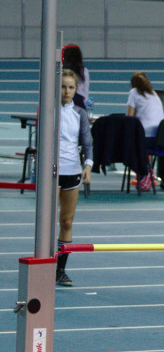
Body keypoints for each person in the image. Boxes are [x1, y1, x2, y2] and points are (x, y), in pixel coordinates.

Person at [55, 69, 93, 288]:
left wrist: (88, 165)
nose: (66, 91)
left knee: (67, 221)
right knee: (48, 222)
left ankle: (60, 270)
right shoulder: (49, 110)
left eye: (70, 87)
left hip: (73, 170)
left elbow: (87, 142)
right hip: (52, 172)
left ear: (76, 89)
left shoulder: (80, 112)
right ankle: (44, 264)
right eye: (63, 86)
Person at [125, 72, 163, 191]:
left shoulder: (133, 92)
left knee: (129, 142)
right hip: (161, 140)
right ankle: (147, 171)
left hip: (145, 140)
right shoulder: (154, 93)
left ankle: (143, 173)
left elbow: (130, 118)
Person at [61, 44, 89, 109]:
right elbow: (85, 90)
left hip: (63, 99)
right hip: (79, 100)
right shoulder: (84, 71)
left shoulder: (60, 70)